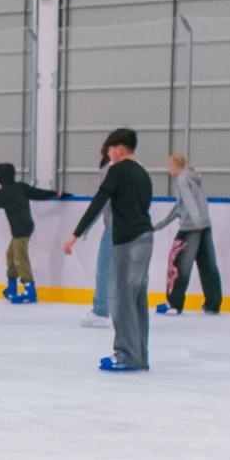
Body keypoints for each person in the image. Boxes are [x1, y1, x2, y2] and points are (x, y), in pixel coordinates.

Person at [65, 128, 154, 371]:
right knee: (137, 299)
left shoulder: (117, 170)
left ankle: (126, 355)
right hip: (146, 237)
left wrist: (76, 233)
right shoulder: (143, 173)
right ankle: (140, 355)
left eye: (110, 150)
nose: (109, 154)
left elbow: (99, 202)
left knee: (122, 298)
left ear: (120, 149)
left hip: (127, 240)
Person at [0, 163, 57, 304]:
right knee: (11, 255)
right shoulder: (20, 187)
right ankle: (12, 288)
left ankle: (30, 292)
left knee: (20, 259)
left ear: (0, 177)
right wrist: (54, 193)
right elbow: (38, 194)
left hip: (20, 230)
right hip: (25, 227)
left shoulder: (3, 193)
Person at [154, 153, 222, 316]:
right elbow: (180, 207)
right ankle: (213, 304)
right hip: (205, 226)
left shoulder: (182, 179)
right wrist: (159, 225)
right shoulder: (192, 177)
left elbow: (189, 201)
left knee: (178, 264)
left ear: (174, 165)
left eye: (169, 166)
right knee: (208, 266)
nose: (168, 169)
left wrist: (196, 220)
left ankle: (174, 304)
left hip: (191, 227)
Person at [78, 146, 114, 329]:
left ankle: (100, 310)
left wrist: (84, 227)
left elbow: (101, 202)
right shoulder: (136, 169)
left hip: (115, 228)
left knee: (104, 269)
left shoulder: (110, 170)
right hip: (132, 229)